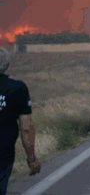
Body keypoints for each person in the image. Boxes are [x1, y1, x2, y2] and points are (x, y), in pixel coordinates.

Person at [0, 47, 41, 194]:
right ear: (8, 65)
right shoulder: (17, 88)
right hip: (3, 153)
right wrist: (31, 158)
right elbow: (26, 128)